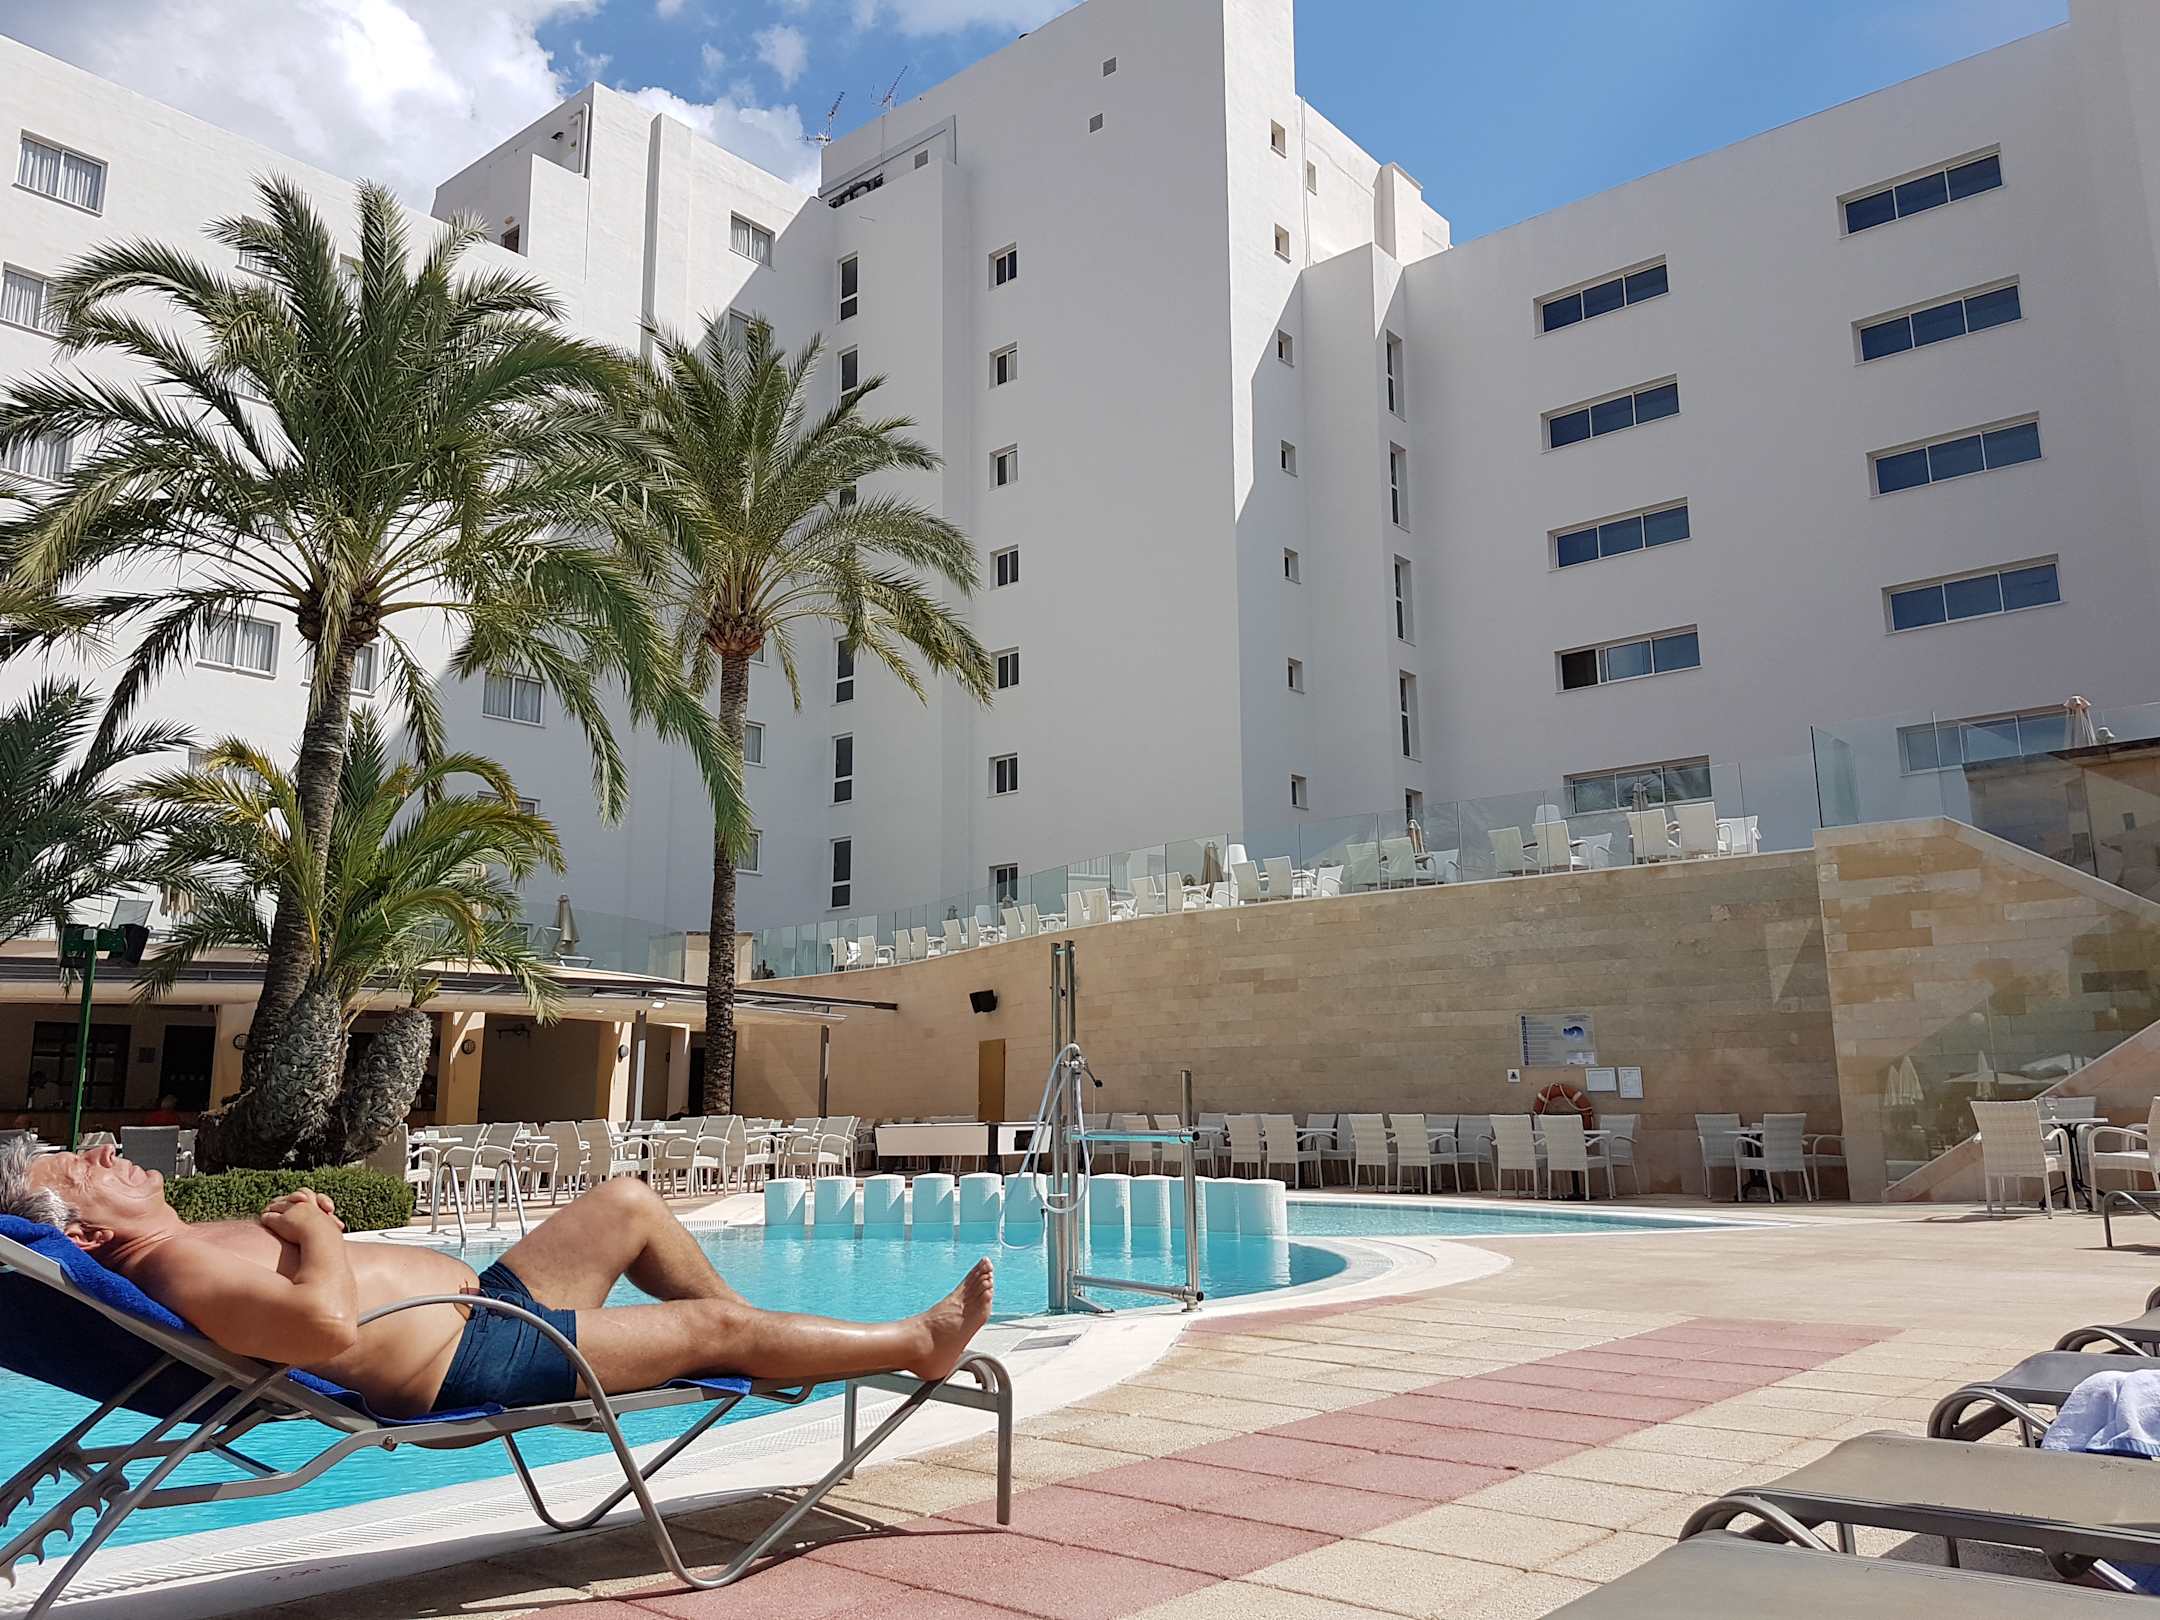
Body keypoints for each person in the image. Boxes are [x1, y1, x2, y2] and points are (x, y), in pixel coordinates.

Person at [0, 1139, 993, 1420]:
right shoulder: (169, 1262)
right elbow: (325, 1330)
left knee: (627, 1201)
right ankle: (918, 1344)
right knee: (711, 1336)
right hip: (468, 1361)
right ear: (84, 1230)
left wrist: (305, 1231)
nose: (104, 1149)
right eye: (81, 1165)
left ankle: (778, 1347)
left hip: (486, 1309)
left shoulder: (182, 1237)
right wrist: (316, 1232)